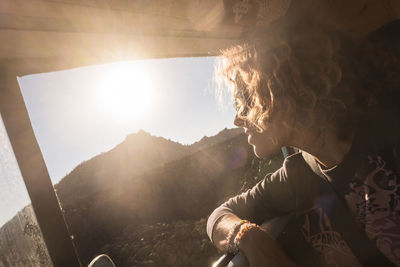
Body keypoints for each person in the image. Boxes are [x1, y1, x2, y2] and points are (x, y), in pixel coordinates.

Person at [207, 18, 400, 267]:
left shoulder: (389, 140)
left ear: (283, 90)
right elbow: (219, 216)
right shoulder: (299, 173)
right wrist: (248, 236)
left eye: (245, 99)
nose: (237, 118)